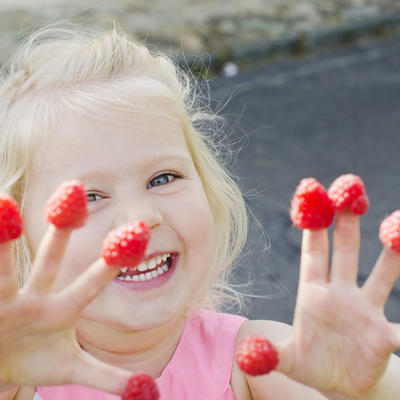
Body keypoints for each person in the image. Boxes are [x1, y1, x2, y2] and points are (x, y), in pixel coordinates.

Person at [0, 21, 399, 400]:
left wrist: (368, 386)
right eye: (89, 197)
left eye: (162, 178)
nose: (140, 220)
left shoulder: (261, 363)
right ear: (18, 237)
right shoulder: (18, 379)